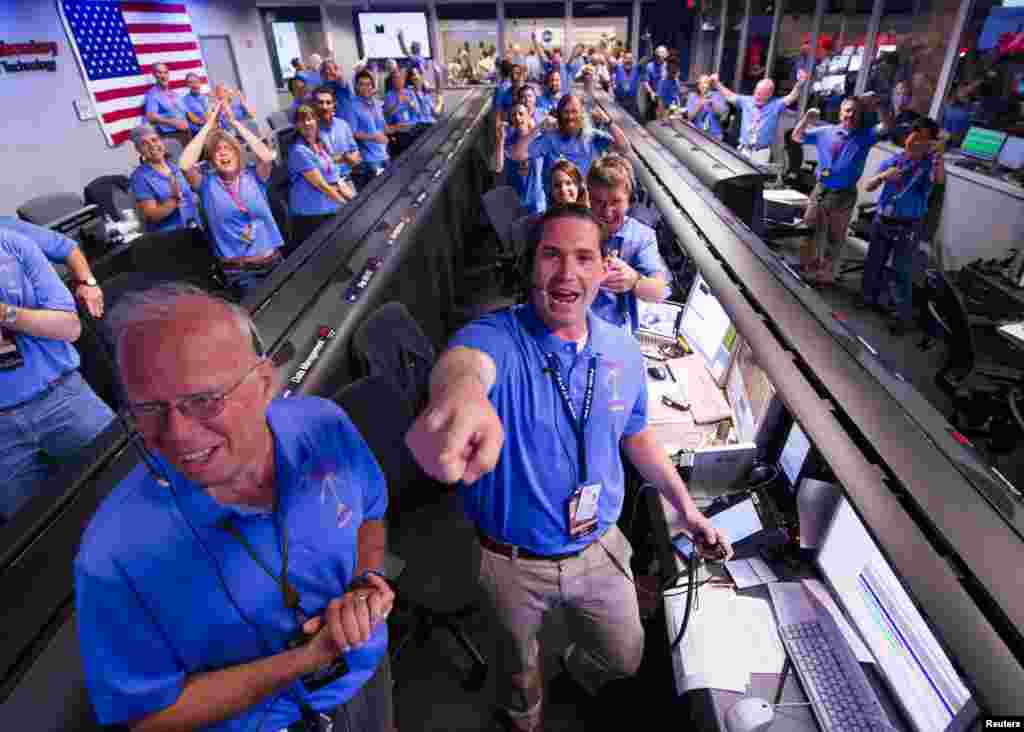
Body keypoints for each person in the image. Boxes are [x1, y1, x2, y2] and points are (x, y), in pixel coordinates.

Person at [405, 205, 729, 732]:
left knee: (624, 658)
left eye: (583, 258)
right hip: (511, 563)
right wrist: (459, 394)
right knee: (518, 678)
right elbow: (464, 367)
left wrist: (686, 509)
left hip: (598, 548)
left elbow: (636, 433)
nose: (566, 273)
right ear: (529, 265)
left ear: (604, 268)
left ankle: (572, 667)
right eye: (551, 255)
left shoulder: (622, 349)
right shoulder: (496, 338)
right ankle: (526, 717)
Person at [76, 283, 395, 731]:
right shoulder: (111, 556)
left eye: (203, 400)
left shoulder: (324, 425)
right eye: (148, 408)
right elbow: (146, 716)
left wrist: (365, 581)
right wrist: (305, 659)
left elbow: (370, 515)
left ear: (265, 383)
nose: (178, 433)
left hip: (366, 673)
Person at [0, 225, 114, 521]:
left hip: (63, 399)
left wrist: (7, 314)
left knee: (126, 482)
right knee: (43, 531)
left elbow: (69, 328)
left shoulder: (12, 244)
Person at [179, 102, 284, 293]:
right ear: (211, 161)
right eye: (216, 151)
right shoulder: (206, 185)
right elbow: (185, 164)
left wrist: (235, 122)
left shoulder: (254, 176)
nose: (223, 153)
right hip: (240, 273)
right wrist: (208, 124)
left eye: (228, 148)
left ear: (237, 153)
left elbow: (267, 157)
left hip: (273, 262)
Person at [792, 94, 894, 285]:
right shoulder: (825, 132)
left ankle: (825, 274)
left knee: (835, 237)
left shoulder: (866, 136)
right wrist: (806, 119)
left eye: (855, 112)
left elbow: (887, 126)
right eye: (847, 110)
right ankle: (806, 268)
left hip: (844, 194)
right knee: (809, 229)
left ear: (860, 115)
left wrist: (879, 104)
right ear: (840, 113)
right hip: (821, 189)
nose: (851, 115)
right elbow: (797, 136)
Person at [861, 122, 944, 335]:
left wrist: (939, 156)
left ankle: (901, 316)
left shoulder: (928, 166)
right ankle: (869, 299)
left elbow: (939, 180)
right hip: (882, 220)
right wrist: (882, 177)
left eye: (922, 139)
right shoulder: (894, 160)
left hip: (907, 226)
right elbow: (868, 186)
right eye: (913, 136)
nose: (915, 142)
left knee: (900, 271)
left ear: (929, 143)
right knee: (873, 263)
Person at [587, 155, 670, 332]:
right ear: (589, 198)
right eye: (599, 202)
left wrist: (634, 280)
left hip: (616, 333)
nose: (607, 211)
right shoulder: (575, 227)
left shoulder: (642, 236)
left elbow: (659, 291)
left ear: (629, 200)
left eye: (616, 201)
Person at [510, 94, 628, 192]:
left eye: (574, 111)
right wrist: (539, 127)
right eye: (566, 112)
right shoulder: (551, 139)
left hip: (589, 202)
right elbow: (517, 154)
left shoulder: (593, 136)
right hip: (560, 205)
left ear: (581, 114)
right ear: (559, 115)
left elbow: (624, 148)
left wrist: (608, 122)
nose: (570, 116)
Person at [288, 105, 355, 247]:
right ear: (296, 125)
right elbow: (322, 185)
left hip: (329, 210)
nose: (306, 123)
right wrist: (347, 205)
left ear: (316, 120)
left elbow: (335, 178)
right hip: (312, 217)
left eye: (310, 119)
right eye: (301, 120)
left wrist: (355, 200)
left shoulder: (321, 144)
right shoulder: (298, 151)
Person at [713, 69, 809, 163]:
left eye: (763, 94)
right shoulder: (747, 101)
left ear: (770, 95)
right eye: (757, 93)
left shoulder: (775, 105)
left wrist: (799, 84)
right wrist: (717, 83)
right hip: (744, 149)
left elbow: (791, 97)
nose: (758, 97)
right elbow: (730, 96)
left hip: (761, 152)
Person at [128, 124, 202, 234]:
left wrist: (196, 185)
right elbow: (152, 215)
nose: (152, 145)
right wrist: (174, 199)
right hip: (170, 235)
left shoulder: (175, 166)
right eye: (144, 143)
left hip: (195, 225)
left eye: (154, 140)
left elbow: (194, 194)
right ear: (138, 149)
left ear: (161, 141)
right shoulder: (139, 177)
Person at [350, 70, 398, 189]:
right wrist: (373, 137)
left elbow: (383, 127)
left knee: (391, 187)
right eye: (361, 84)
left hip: (384, 154)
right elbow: (353, 133)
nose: (365, 88)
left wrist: (396, 128)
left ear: (372, 86)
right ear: (356, 87)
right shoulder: (352, 106)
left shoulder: (377, 104)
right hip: (369, 160)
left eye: (368, 84)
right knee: (379, 191)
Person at [496, 101, 546, 215]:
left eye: (521, 113)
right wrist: (500, 141)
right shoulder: (508, 142)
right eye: (513, 115)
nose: (517, 117)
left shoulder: (539, 139)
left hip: (537, 203)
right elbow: (498, 167)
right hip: (516, 203)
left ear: (528, 116)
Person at [313, 85, 361, 193]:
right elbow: (317, 163)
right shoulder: (311, 130)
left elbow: (355, 150)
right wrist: (344, 158)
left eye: (328, 102)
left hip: (346, 179)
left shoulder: (343, 125)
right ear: (314, 105)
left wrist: (353, 157)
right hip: (325, 185)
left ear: (334, 104)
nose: (324, 107)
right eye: (320, 102)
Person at [144, 62, 190, 147]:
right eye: (159, 72)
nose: (163, 76)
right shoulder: (152, 94)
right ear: (154, 75)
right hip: (172, 136)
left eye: (165, 72)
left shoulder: (175, 94)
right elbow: (151, 116)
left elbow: (186, 112)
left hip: (187, 133)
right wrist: (173, 122)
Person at [686, 74, 729, 140]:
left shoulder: (718, 95)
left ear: (710, 85)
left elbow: (723, 116)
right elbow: (689, 117)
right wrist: (700, 104)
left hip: (715, 135)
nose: (703, 85)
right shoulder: (693, 96)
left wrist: (712, 103)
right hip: (698, 133)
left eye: (706, 83)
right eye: (700, 83)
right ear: (698, 85)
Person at [640, 46, 669, 118]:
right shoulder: (649, 66)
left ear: (665, 56)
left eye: (661, 56)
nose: (659, 58)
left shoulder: (667, 67)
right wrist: (651, 92)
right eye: (657, 56)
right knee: (650, 116)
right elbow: (645, 82)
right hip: (652, 96)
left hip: (663, 97)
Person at [613, 51, 642, 119]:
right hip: (619, 103)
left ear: (633, 61)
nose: (628, 60)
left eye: (630, 58)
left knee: (631, 121)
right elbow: (610, 60)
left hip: (632, 104)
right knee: (619, 121)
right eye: (626, 58)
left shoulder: (636, 69)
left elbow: (647, 57)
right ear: (623, 60)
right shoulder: (618, 68)